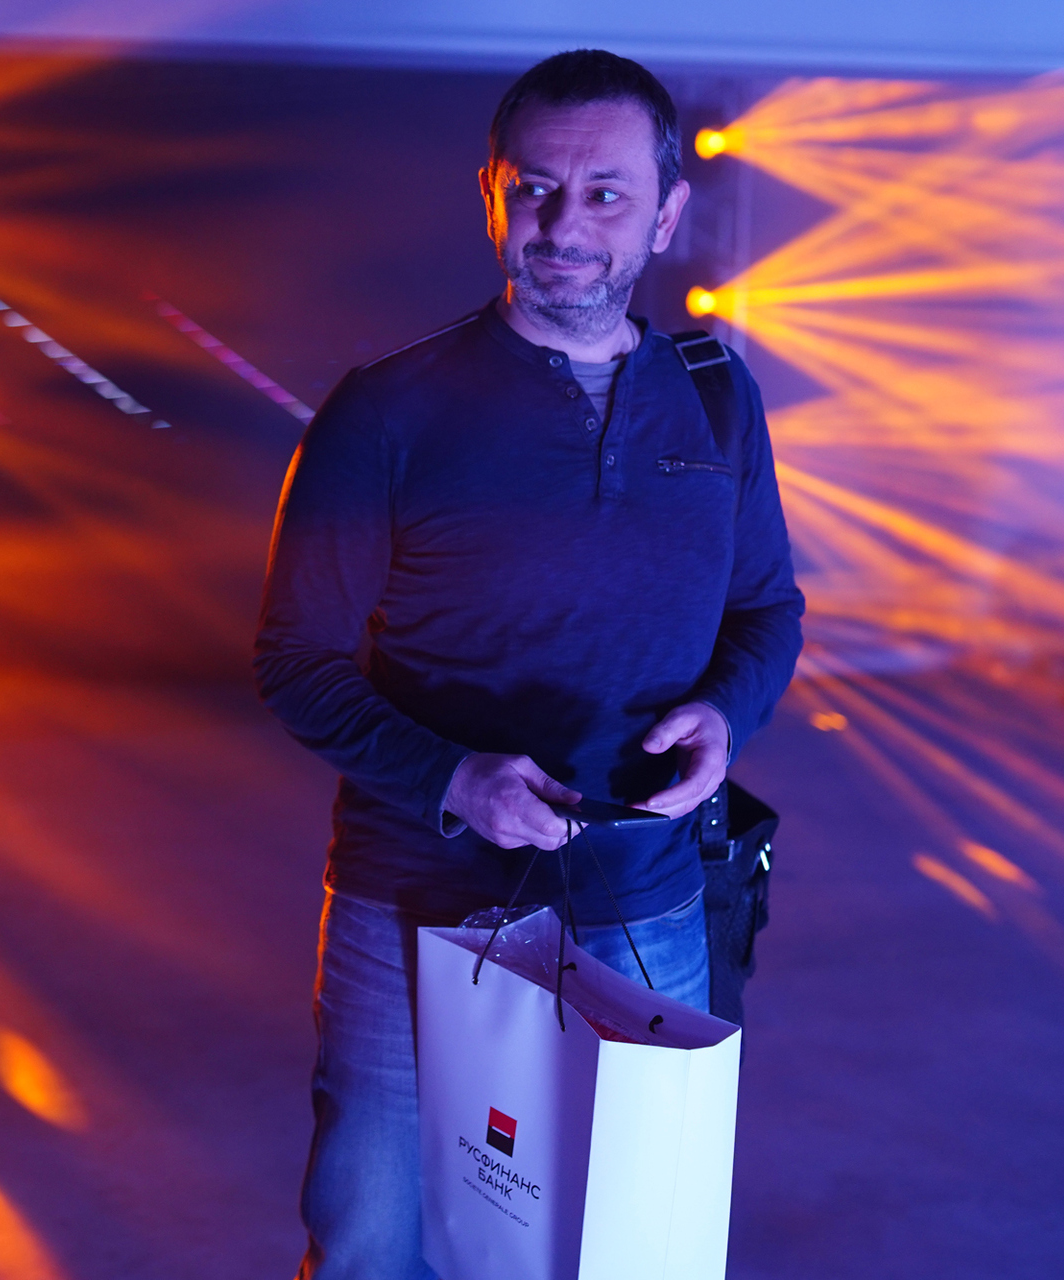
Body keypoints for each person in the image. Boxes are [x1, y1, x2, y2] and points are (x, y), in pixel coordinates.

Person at [252, 49, 805, 1280]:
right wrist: (455, 777)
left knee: (625, 1250)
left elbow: (767, 609)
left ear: (666, 212)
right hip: (415, 902)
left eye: (605, 193)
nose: (564, 224)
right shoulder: (387, 410)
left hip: (649, 899)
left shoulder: (717, 399)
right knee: (374, 1243)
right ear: (490, 194)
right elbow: (295, 658)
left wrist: (725, 714)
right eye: (536, 188)